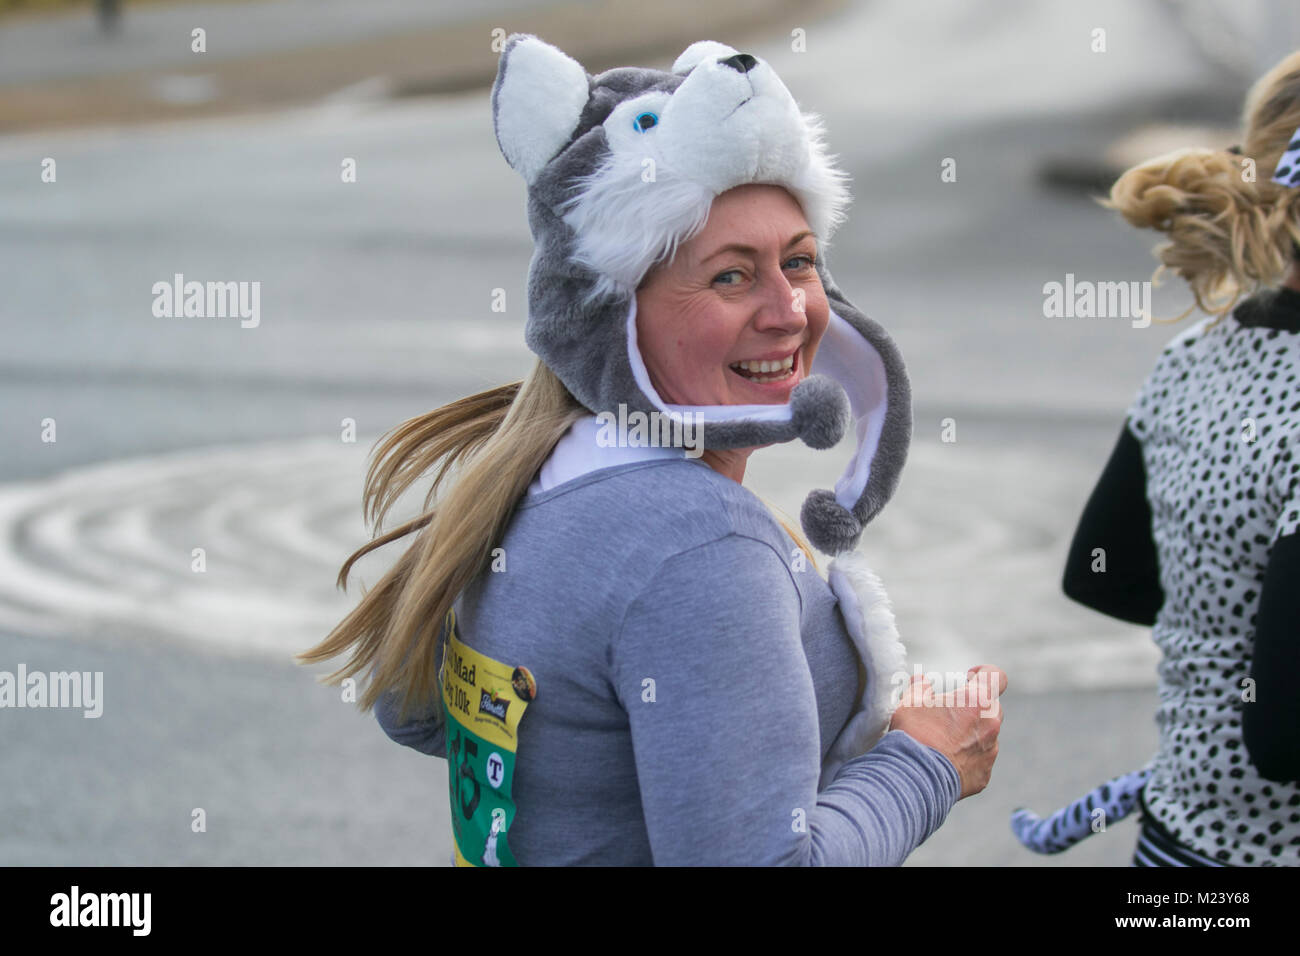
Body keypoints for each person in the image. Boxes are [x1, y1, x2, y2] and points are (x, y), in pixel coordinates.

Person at [299, 35, 1005, 866]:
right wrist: (926, 762)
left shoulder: (539, 473)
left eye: (800, 262)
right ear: (617, 316)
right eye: (731, 277)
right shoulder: (701, 550)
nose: (787, 311)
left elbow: (425, 714)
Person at [1041, 50, 1300, 867]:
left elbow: (1101, 572)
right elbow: (1283, 737)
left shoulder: (1196, 354)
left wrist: (1235, 637)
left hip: (1176, 845)